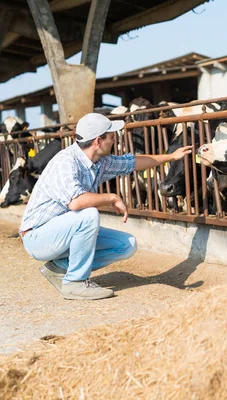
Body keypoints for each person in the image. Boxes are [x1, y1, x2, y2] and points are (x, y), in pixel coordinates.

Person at [19, 112, 192, 300]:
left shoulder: (99, 162)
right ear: (98, 141)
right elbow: (76, 202)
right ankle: (75, 283)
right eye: (111, 136)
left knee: (126, 245)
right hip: (37, 237)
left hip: (64, 232)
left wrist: (172, 157)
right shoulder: (66, 161)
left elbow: (132, 162)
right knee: (88, 215)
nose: (115, 140)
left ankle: (58, 268)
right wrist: (111, 197)